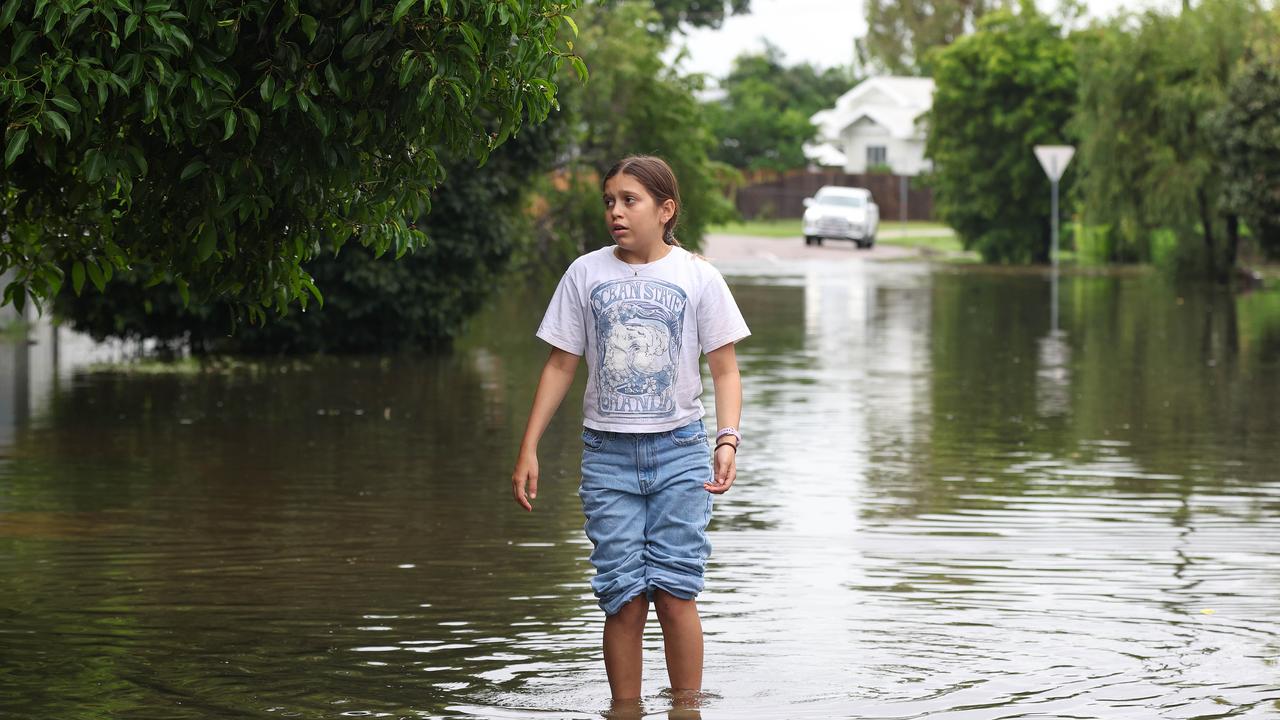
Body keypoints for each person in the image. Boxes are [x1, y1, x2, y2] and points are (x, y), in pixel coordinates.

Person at [510, 155, 750, 705]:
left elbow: (725, 369)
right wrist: (529, 446)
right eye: (609, 201)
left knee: (675, 592)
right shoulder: (585, 274)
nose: (615, 212)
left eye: (629, 200)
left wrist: (727, 437)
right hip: (607, 458)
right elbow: (560, 364)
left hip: (681, 451)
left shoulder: (698, 277)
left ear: (666, 210)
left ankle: (686, 710)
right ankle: (625, 712)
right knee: (622, 598)